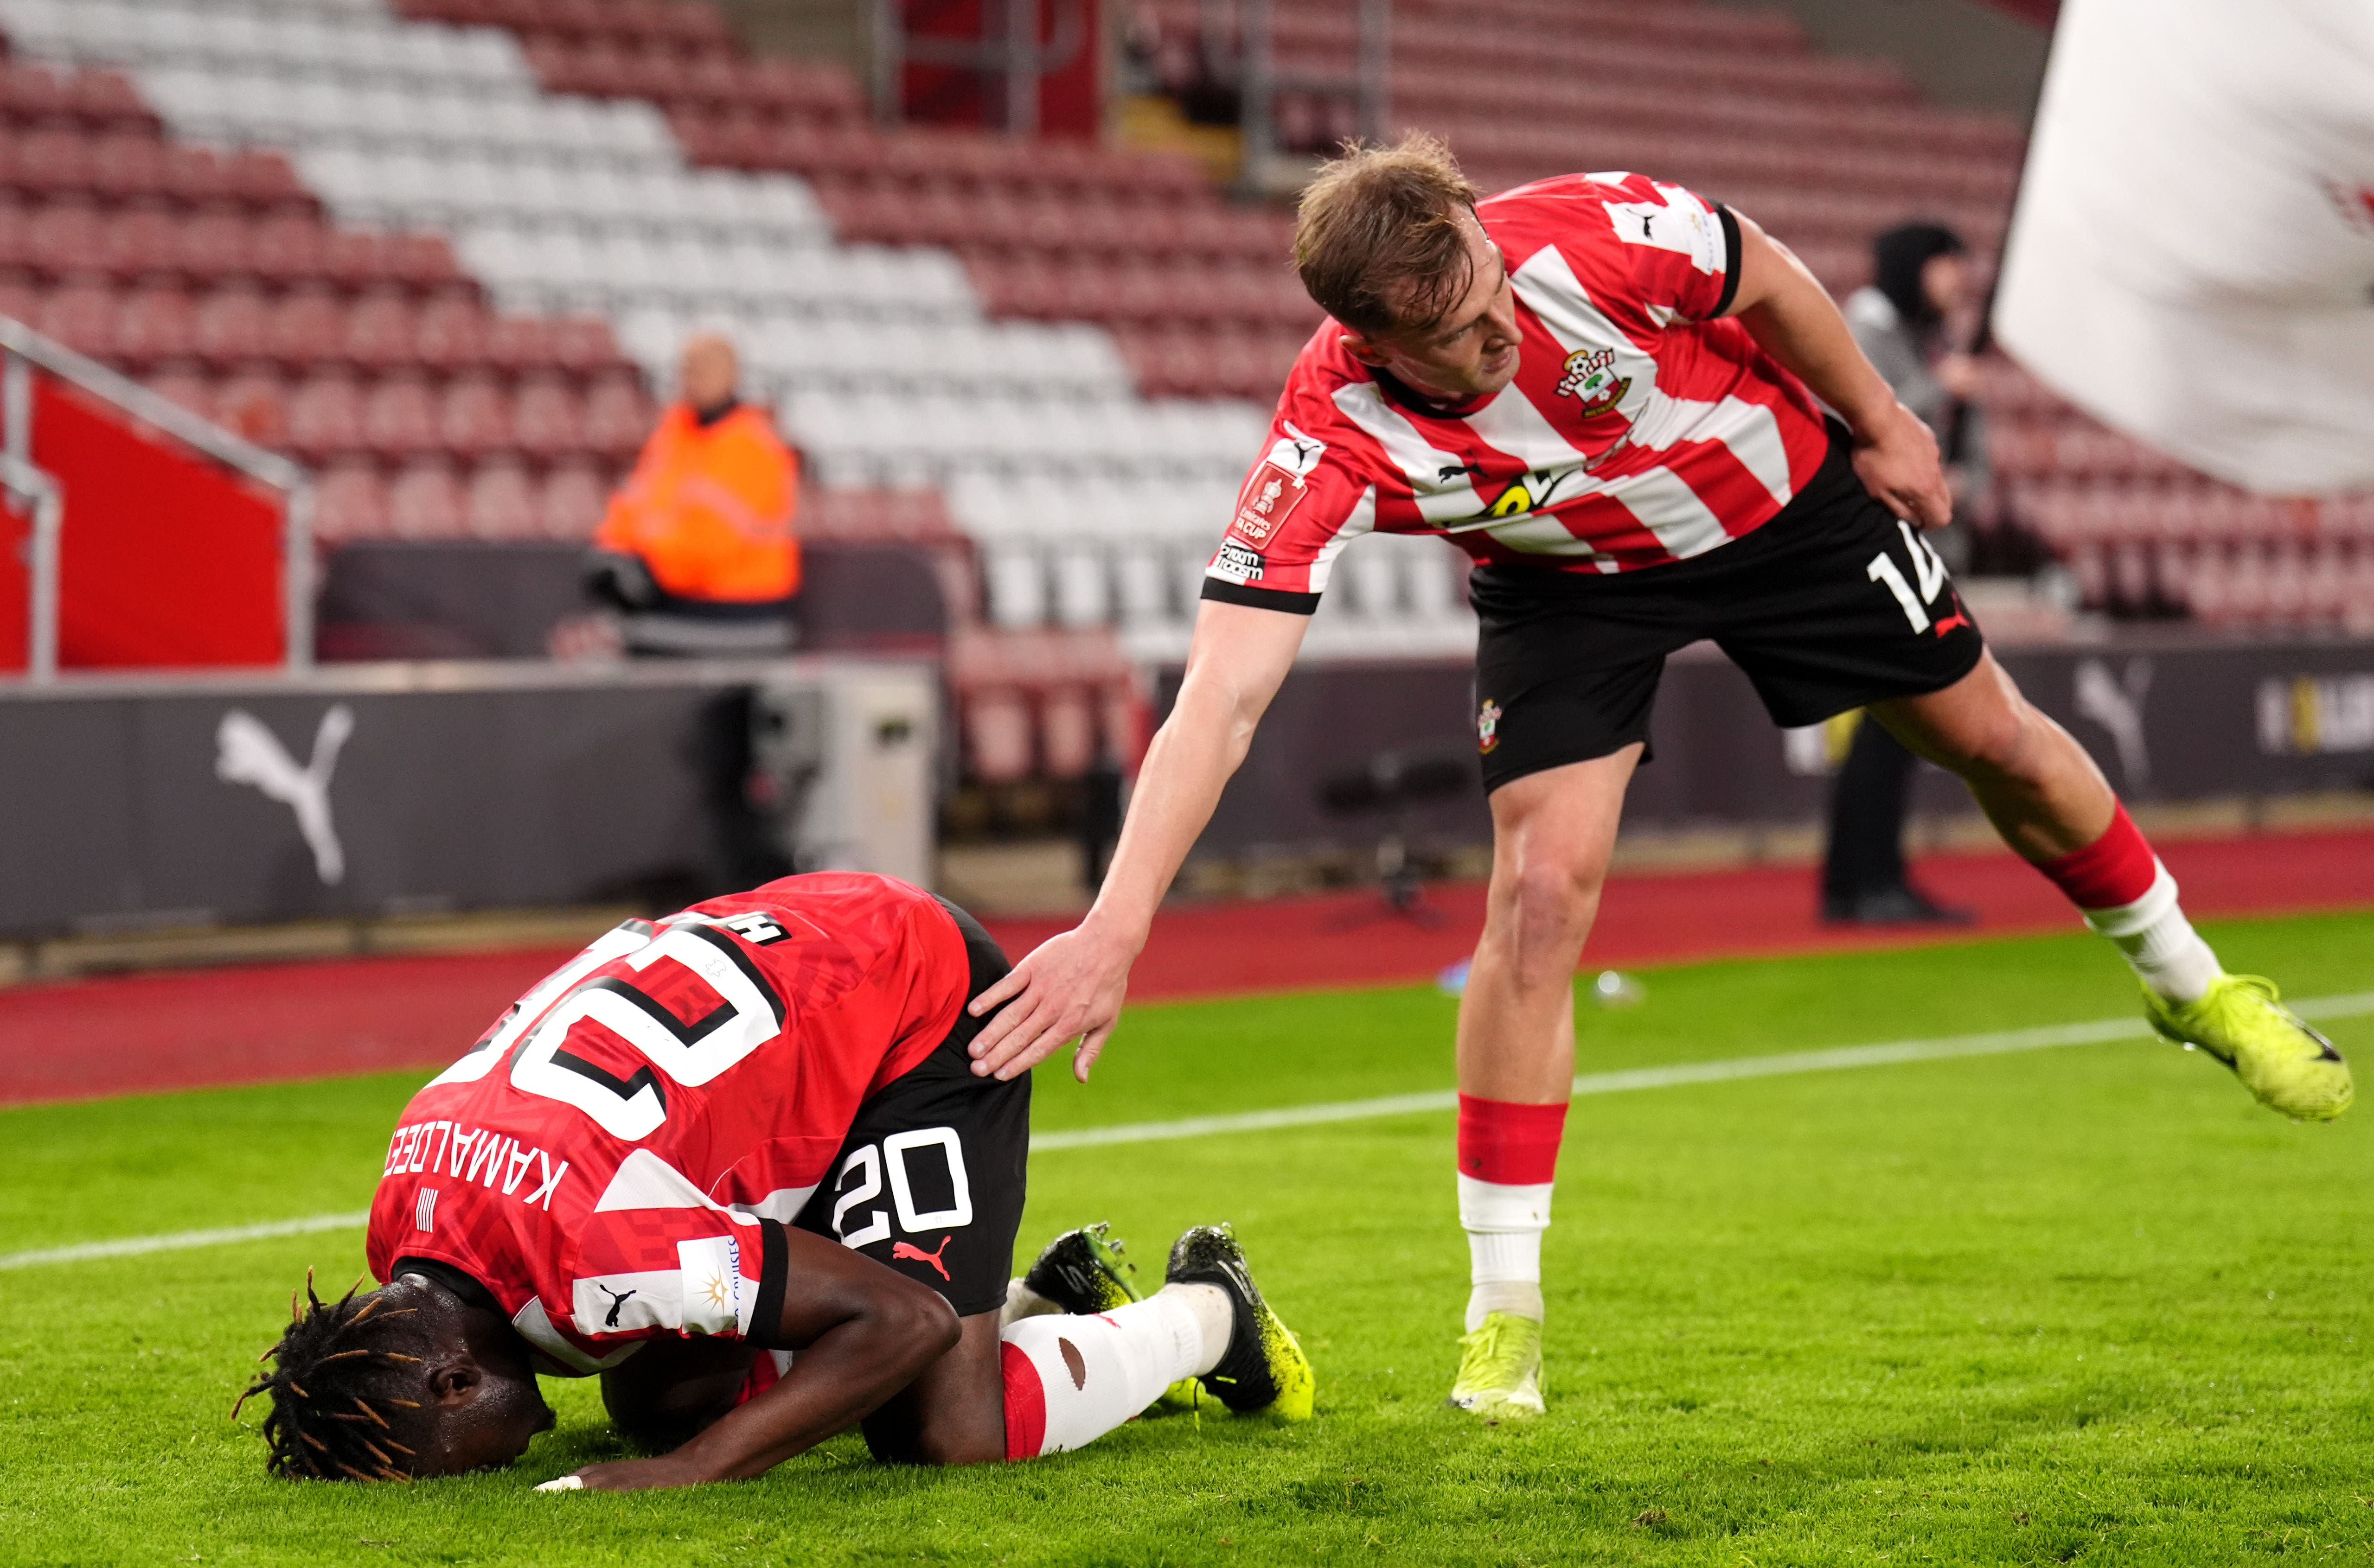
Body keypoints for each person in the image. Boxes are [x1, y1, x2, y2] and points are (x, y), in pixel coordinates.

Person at [955, 135, 2354, 1424]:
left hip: (1775, 505)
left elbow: (1768, 271)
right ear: (1371, 343)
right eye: (1453, 337)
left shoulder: (1585, 235)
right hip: (1569, 589)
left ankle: (2194, 987)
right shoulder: (1328, 433)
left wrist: (1880, 418)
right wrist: (1120, 919)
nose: (1499, 332)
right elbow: (1225, 691)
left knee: (1989, 739)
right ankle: (1503, 1310)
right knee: (1540, 893)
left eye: (1493, 293)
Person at [231, 873, 1311, 1487]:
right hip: (788, 971)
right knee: (671, 1393)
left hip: (908, 1007)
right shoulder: (408, 1207)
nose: (465, 1478)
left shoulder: (591, 1258)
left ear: (453, 1385)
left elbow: (903, 1318)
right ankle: (1042, 1304)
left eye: (439, 1461)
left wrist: (691, 1473)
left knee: (942, 1427)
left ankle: (1210, 1311)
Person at [1820, 223, 1987, 924]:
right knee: (1890, 725)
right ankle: (1866, 881)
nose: (1955, 279)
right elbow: (1866, 414)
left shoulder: (1921, 334)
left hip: (1912, 546)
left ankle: (1866, 879)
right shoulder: (1869, 327)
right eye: (1945, 262)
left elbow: (1963, 450)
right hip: (1876, 548)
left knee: (1894, 726)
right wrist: (1937, 385)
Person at [587, 332, 802, 656]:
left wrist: (648, 569)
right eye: (686, 368)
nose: (691, 378)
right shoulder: (673, 434)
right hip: (677, 595)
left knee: (624, 645)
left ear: (732, 376)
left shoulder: (752, 445)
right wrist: (613, 556)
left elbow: (713, 543)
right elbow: (633, 505)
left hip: (741, 606)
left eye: (703, 368)